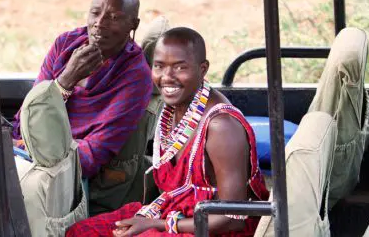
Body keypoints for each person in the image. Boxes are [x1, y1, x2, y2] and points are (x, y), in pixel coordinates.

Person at [66, 27, 269, 236]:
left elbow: (232, 219)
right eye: (159, 66)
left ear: (203, 69)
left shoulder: (221, 127)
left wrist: (158, 225)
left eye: (180, 68)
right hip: (174, 213)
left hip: (211, 230)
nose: (167, 77)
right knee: (82, 232)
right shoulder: (173, 109)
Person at [11, 0, 153, 179]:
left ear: (133, 25)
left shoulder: (135, 76)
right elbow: (28, 116)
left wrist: (37, 158)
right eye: (95, 13)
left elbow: (94, 151)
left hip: (64, 171)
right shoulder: (66, 43)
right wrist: (65, 80)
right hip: (23, 149)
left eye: (114, 17)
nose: (100, 23)